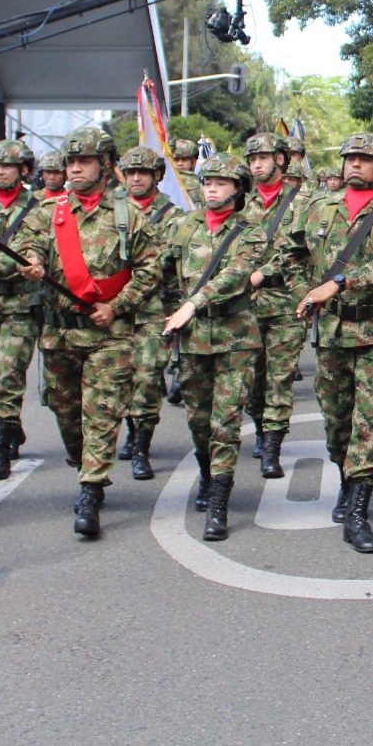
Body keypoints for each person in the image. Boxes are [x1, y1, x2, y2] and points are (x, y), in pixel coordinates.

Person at [11, 127, 161, 537]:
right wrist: (29, 265)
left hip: (108, 338)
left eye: (86, 162)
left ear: (106, 166)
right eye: (71, 162)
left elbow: (150, 271)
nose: (75, 168)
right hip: (59, 336)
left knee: (102, 413)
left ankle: (91, 490)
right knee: (65, 413)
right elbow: (28, 248)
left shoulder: (129, 215)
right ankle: (84, 464)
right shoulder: (47, 213)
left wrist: (118, 306)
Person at [288, 133, 373, 553]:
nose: (355, 165)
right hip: (331, 332)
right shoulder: (317, 209)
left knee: (370, 420)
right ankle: (346, 480)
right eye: (350, 159)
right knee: (337, 420)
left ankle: (359, 509)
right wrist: (297, 290)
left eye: (365, 159)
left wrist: (338, 282)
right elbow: (291, 254)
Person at [162, 154, 265, 541]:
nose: (212, 188)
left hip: (234, 338)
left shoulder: (250, 232)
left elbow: (236, 275)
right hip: (191, 342)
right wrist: (169, 312)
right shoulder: (182, 227)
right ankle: (207, 473)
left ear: (238, 189)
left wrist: (193, 302)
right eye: (208, 181)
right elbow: (165, 273)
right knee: (198, 420)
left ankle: (219, 501)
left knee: (225, 423)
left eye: (221, 182)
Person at [239, 132, 309, 477]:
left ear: (280, 160)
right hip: (246, 305)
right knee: (252, 378)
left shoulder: (302, 202)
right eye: (252, 159)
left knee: (279, 379)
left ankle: (272, 446)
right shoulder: (241, 202)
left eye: (263, 158)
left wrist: (264, 272)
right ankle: (260, 427)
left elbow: (299, 251)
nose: (256, 165)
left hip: (285, 302)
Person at [114, 146, 178, 481]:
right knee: (120, 376)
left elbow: (174, 261)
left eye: (143, 173)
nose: (135, 178)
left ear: (157, 177)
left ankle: (141, 443)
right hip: (114, 308)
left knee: (149, 377)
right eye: (130, 173)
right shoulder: (112, 211)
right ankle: (130, 427)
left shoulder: (172, 216)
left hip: (154, 308)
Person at [0, 139, 39, 482]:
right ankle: (12, 424)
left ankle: (0, 450)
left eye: (9, 166)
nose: (0, 171)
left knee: (9, 373)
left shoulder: (38, 207)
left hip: (20, 304)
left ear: (24, 171)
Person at [170, 138, 208, 209]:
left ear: (193, 161)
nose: (180, 163)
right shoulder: (191, 182)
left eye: (184, 159)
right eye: (176, 160)